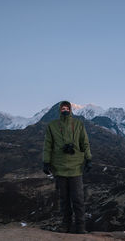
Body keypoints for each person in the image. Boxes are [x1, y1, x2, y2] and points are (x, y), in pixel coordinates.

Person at [42, 100, 92, 234]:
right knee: (64, 200)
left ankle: (80, 227)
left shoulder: (78, 124)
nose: (65, 110)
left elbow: (85, 142)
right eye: (63, 108)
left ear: (70, 109)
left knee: (78, 199)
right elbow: (47, 145)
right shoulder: (52, 126)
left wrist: (88, 159)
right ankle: (66, 226)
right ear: (60, 110)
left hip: (75, 168)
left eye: (67, 108)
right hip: (59, 168)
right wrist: (46, 162)